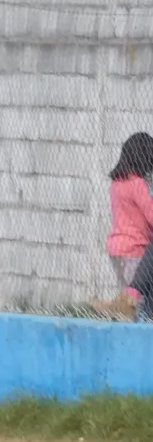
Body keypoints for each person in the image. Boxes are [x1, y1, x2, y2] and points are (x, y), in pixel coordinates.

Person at [90, 133, 153, 322]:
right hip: (135, 248)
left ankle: (121, 310)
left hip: (116, 248)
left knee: (129, 300)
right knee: (136, 303)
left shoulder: (117, 184)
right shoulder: (137, 184)